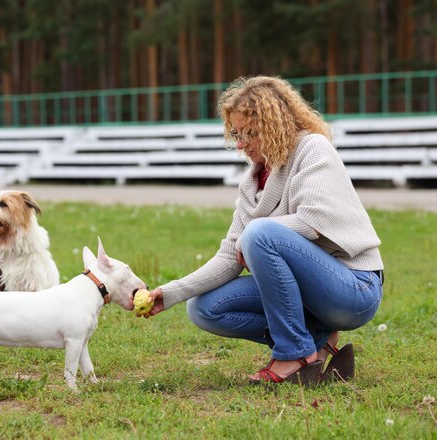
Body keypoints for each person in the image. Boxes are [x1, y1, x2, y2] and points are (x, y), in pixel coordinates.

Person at [143, 75, 384, 386]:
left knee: (259, 233)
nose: (241, 145)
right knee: (203, 308)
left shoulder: (313, 148)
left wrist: (253, 235)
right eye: (236, 134)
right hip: (313, 296)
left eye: (250, 133)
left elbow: (313, 221)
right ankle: (316, 341)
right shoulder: (251, 184)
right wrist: (172, 292)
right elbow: (230, 255)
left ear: (276, 124)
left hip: (354, 289)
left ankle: (294, 354)